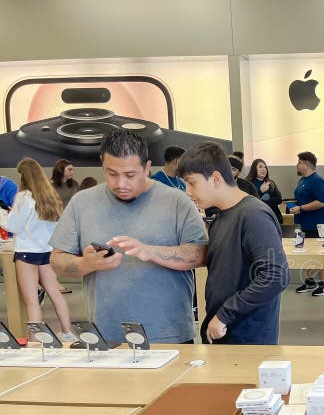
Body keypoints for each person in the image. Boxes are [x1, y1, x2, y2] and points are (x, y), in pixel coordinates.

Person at [50, 130, 208, 344]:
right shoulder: (82, 203)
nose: (121, 183)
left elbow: (201, 254)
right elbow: (57, 260)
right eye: (112, 173)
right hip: (107, 336)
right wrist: (86, 264)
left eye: (130, 175)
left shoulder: (177, 202)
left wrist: (150, 251)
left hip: (169, 335)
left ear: (147, 166)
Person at [178, 142, 289, 345]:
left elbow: (276, 276)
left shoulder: (253, 215)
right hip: (224, 334)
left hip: (247, 338)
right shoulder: (222, 216)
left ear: (216, 178)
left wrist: (225, 315)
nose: (187, 191)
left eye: (191, 183)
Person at [0, 159, 74, 343]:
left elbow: (14, 226)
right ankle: (67, 333)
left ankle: (34, 341)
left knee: (32, 301)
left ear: (23, 176)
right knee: (55, 293)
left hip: (26, 253)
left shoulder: (23, 197)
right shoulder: (50, 195)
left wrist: (3, 216)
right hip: (47, 251)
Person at [290, 151, 324, 296]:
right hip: (302, 224)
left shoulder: (317, 180)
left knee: (321, 253)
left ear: (306, 164)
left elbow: (321, 202)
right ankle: (309, 281)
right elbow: (303, 200)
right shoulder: (302, 181)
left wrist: (300, 208)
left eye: (299, 162)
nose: (297, 165)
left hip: (316, 225)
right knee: (305, 252)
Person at [245, 158, 283, 222]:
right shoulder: (248, 183)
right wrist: (260, 191)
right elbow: (249, 202)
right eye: (260, 167)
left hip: (272, 217)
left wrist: (263, 204)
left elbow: (279, 199)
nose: (264, 169)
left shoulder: (270, 182)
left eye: (265, 167)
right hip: (256, 219)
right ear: (254, 169)